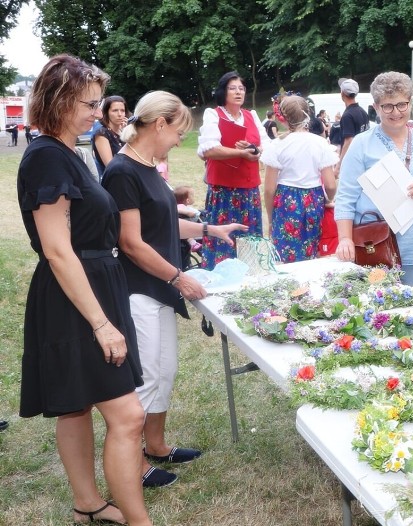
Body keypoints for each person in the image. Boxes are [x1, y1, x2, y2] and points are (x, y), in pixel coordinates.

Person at [17, 54, 151, 526]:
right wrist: (101, 323)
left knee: (75, 407)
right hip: (76, 298)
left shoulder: (61, 151)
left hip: (89, 287)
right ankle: (139, 520)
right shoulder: (47, 158)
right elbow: (57, 250)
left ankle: (88, 505)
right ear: (59, 101)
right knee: (128, 416)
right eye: (91, 104)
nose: (100, 112)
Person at [103, 90, 248, 488]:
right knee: (148, 374)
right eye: (179, 130)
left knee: (164, 370)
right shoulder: (122, 171)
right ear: (160, 123)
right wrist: (178, 276)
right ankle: (133, 464)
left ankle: (157, 444)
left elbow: (162, 224)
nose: (181, 139)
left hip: (159, 285)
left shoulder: (148, 165)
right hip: (140, 289)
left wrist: (209, 229)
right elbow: (132, 242)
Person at [335, 71, 413, 291]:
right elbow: (345, 197)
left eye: (402, 104)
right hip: (373, 246)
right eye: (387, 106)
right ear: (376, 107)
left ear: (410, 103)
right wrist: (345, 239)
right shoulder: (361, 145)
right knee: (375, 314)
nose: (396, 112)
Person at [197, 71, 268, 268]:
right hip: (224, 190)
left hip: (249, 188)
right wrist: (239, 153)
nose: (238, 92)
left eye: (241, 88)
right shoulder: (213, 114)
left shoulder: (251, 115)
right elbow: (208, 149)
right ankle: (220, 274)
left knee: (248, 236)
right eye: (232, 88)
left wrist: (254, 150)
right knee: (223, 237)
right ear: (223, 92)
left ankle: (249, 274)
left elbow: (266, 145)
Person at [261, 96, 338, 262]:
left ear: (283, 118)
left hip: (286, 200)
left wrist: (270, 218)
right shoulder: (320, 143)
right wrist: (327, 199)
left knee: (285, 254)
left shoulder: (277, 145)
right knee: (312, 251)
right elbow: (331, 185)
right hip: (314, 199)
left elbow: (269, 189)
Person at [93, 95, 128, 180]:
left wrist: (126, 134)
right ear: (107, 112)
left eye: (122, 110)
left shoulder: (123, 132)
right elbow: (110, 165)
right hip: (113, 180)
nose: (120, 114)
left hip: (127, 177)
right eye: (115, 110)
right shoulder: (102, 133)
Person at [337, 78, 370, 167]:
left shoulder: (347, 115)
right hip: (363, 158)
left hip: (352, 161)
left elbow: (348, 141)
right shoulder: (362, 111)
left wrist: (339, 165)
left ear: (342, 93)